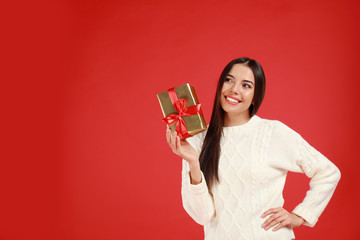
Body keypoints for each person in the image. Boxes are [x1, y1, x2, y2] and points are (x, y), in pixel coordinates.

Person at [165, 57, 341, 240]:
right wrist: (193, 162)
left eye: (246, 85)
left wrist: (300, 215)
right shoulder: (198, 140)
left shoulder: (272, 133)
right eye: (229, 80)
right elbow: (203, 216)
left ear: (256, 96)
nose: (234, 89)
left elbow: (328, 172)